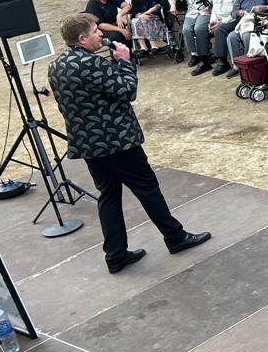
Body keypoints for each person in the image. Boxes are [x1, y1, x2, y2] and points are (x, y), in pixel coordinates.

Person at [46, 15, 211, 274]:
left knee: (109, 197)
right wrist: (124, 62)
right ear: (82, 39)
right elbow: (127, 91)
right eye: (95, 31)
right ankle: (175, 237)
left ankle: (116, 255)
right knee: (148, 189)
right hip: (117, 141)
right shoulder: (91, 64)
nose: (100, 34)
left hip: (89, 145)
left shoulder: (56, 66)